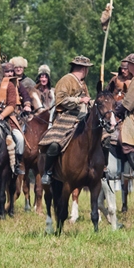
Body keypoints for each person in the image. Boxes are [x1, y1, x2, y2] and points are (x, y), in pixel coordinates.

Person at [39, 55, 93, 186]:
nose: (87, 71)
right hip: (67, 116)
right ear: (83, 69)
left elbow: (87, 99)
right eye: (87, 69)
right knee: (54, 143)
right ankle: (48, 172)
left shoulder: (83, 83)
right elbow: (61, 100)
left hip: (83, 116)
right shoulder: (66, 80)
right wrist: (79, 100)